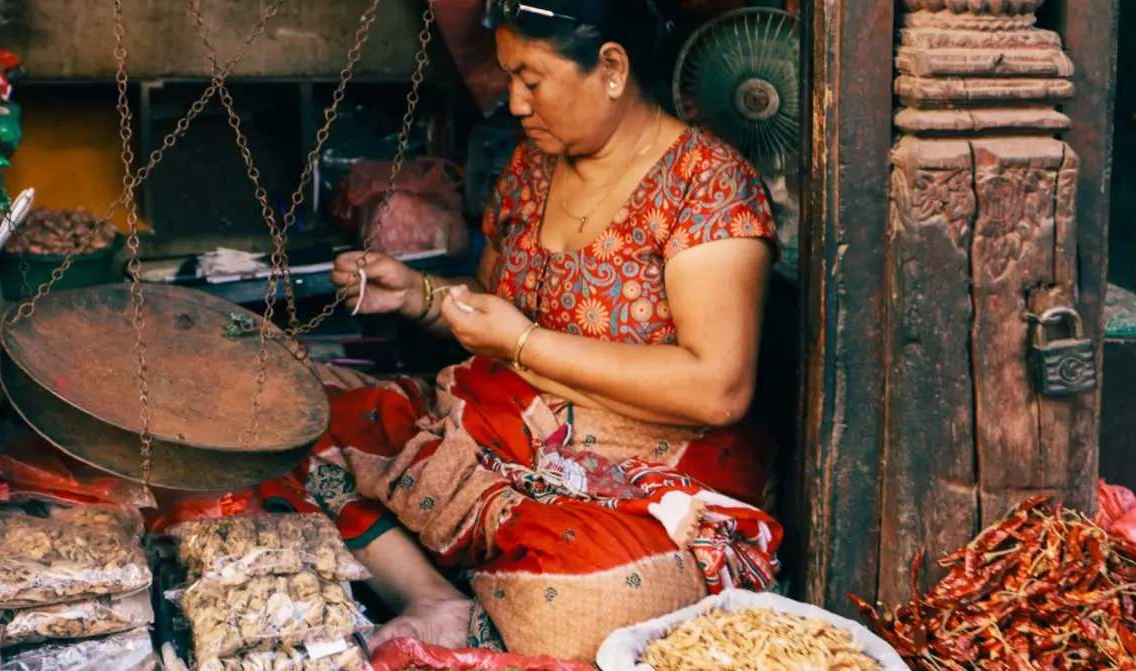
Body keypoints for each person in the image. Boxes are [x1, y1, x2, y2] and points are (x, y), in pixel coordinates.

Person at [299, 0, 783, 660]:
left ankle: (487, 593)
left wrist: (523, 344)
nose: (516, 102)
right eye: (508, 77)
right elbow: (495, 308)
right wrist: (423, 296)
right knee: (296, 414)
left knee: (581, 593)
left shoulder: (707, 185)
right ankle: (434, 598)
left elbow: (717, 386)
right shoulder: (531, 168)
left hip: (638, 467)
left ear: (610, 67)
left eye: (531, 78)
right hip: (497, 428)